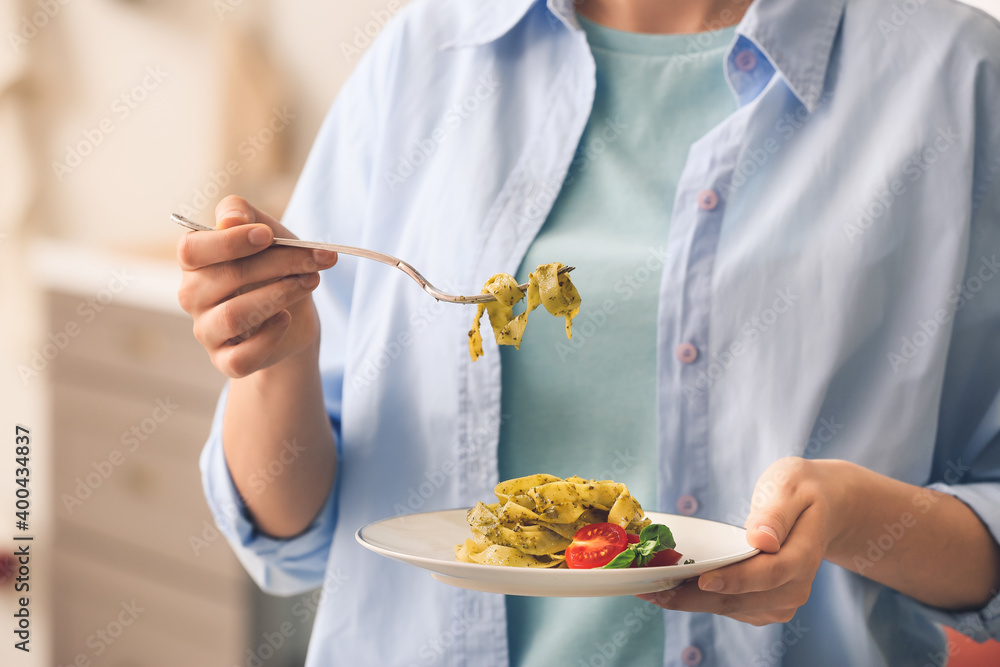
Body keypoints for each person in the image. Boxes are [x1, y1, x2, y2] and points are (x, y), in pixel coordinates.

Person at [175, 0, 1000, 664]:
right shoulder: (429, 52)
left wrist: (859, 518)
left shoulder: (954, 76)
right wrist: (277, 359)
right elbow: (290, 534)